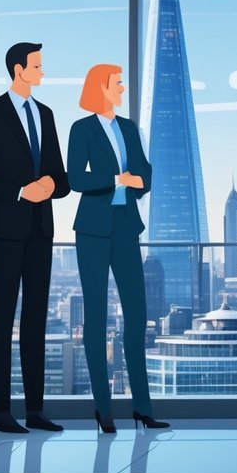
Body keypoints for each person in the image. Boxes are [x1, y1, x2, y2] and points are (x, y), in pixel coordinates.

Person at [0, 42, 70, 434]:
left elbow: (61, 178)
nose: (43, 72)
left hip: (41, 229)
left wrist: (49, 184)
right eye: (38, 66)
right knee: (2, 317)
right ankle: (0, 412)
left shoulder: (45, 114)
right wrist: (18, 191)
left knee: (36, 320)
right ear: (18, 69)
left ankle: (35, 410)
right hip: (8, 227)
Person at [68, 64, 168, 432]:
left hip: (126, 228)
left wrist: (137, 182)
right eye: (117, 82)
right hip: (92, 231)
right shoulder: (82, 129)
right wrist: (116, 180)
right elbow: (75, 177)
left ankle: (142, 407)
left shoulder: (128, 128)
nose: (122, 87)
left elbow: (146, 171)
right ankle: (103, 410)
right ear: (101, 87)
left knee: (137, 317)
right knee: (95, 320)